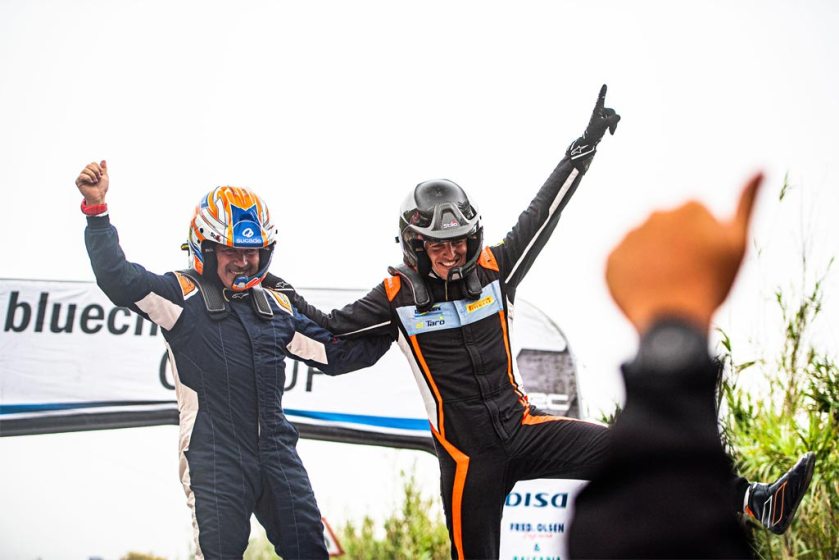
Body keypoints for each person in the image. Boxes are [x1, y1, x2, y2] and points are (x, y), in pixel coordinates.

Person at [275, 86, 815, 559]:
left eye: (459, 241)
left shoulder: (494, 271)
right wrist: (275, 295)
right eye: (438, 245)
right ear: (416, 244)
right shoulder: (396, 297)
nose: (451, 253)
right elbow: (334, 334)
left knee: (636, 451)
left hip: (525, 431)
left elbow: (545, 211)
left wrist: (586, 144)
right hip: (468, 461)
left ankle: (754, 501)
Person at [75, 161, 391, 559]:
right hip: (214, 457)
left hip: (278, 454)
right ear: (205, 248)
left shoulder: (277, 305)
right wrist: (97, 211)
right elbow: (118, 279)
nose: (243, 262)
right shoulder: (181, 296)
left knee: (311, 550)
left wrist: (398, 318)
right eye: (231, 251)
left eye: (251, 252)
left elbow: (337, 353)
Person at [567, 174, 816, 558]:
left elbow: (610, 532)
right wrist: (677, 318)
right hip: (490, 438)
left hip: (513, 424)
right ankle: (755, 501)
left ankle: (756, 501)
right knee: (631, 459)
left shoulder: (599, 529)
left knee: (623, 455)